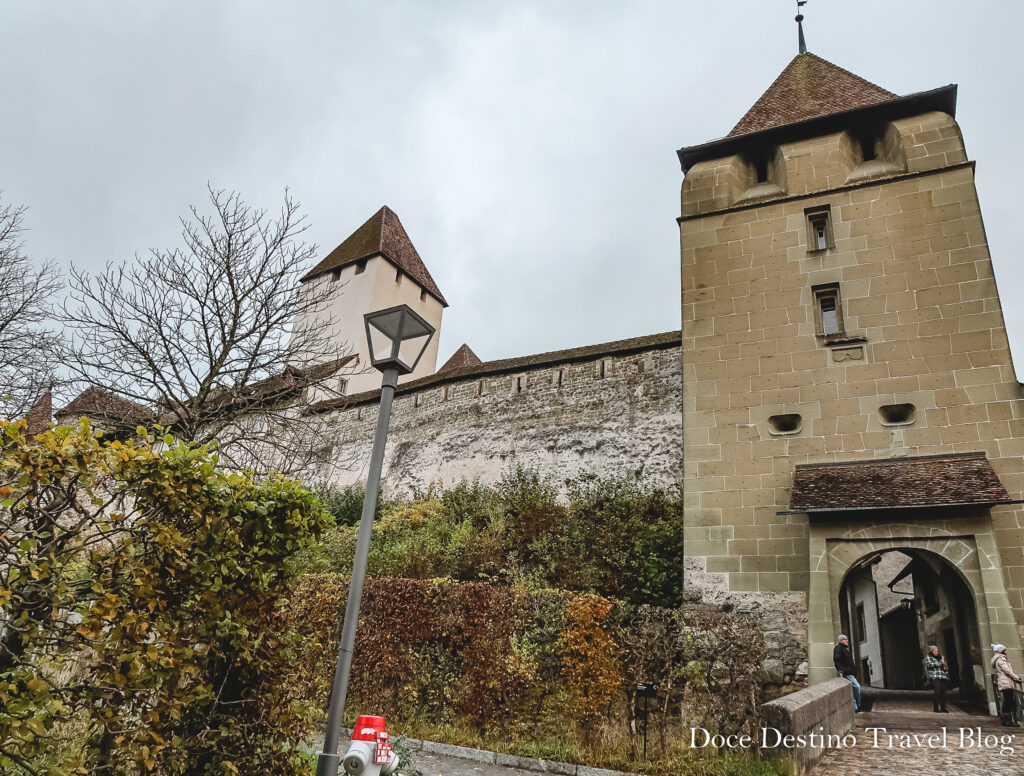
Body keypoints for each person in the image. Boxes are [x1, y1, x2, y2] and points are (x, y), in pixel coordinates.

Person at [992, 644, 1021, 727]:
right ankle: (1007, 720)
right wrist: (1016, 677)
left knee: (1007, 701)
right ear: (1002, 651)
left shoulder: (999, 659)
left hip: (1005, 682)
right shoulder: (1001, 659)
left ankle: (1005, 719)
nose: (1006, 651)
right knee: (1009, 701)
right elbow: (1007, 670)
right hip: (1006, 682)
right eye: (1005, 650)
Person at [833, 634, 861, 712]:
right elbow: (837, 660)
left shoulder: (845, 649)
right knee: (856, 687)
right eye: (845, 639)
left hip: (850, 672)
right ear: (841, 640)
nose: (847, 641)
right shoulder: (838, 648)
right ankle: (858, 706)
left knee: (853, 689)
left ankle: (855, 708)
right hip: (847, 673)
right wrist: (842, 670)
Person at [924, 645, 949, 713]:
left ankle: (943, 708)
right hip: (935, 676)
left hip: (942, 676)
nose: (936, 652)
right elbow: (929, 665)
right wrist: (939, 663)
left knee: (943, 693)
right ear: (931, 651)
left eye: (937, 651)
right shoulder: (928, 657)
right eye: (935, 651)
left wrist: (944, 666)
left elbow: (945, 669)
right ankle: (936, 708)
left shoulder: (940, 657)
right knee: (937, 692)